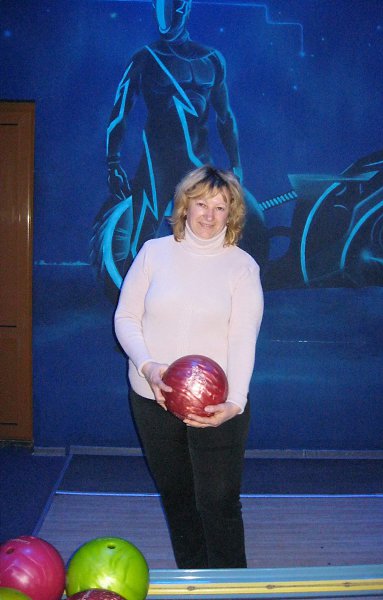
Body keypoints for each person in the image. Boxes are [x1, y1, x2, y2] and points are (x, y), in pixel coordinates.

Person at [114, 165, 264, 569]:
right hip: (153, 397)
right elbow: (126, 317)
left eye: (220, 207)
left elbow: (242, 337)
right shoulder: (153, 253)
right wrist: (148, 367)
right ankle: (194, 583)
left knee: (219, 501)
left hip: (218, 404)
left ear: (232, 214)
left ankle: (232, 589)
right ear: (185, 206)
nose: (209, 215)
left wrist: (235, 401)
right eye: (201, 204)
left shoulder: (242, 267)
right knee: (178, 498)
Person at [95, 0, 267, 289]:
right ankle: (136, 304)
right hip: (157, 164)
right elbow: (119, 113)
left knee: (213, 241)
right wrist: (112, 163)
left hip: (199, 164)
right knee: (142, 241)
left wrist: (236, 164)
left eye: (171, 10)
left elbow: (225, 117)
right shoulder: (145, 59)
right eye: (160, 9)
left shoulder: (211, 59)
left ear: (185, 9)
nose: (165, 18)